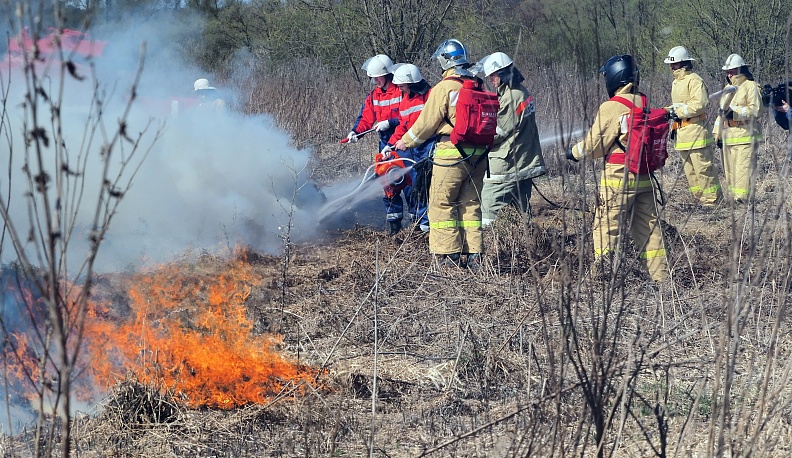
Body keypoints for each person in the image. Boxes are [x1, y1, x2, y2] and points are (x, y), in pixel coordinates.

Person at [566, 54, 668, 282]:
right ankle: (662, 279)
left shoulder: (612, 107)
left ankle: (604, 279)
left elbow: (595, 146)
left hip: (618, 179)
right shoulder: (643, 101)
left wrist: (573, 153)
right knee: (649, 231)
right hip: (645, 177)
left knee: (606, 227)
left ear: (614, 78)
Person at [394, 39, 486, 270]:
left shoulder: (444, 88)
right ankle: (474, 255)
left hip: (451, 153)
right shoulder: (476, 83)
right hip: (479, 154)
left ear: (445, 61)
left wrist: (405, 142)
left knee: (441, 203)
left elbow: (426, 123)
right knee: (470, 203)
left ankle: (449, 256)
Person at [476, 52, 546, 226]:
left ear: (503, 73)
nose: (490, 80)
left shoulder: (511, 97)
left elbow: (499, 131)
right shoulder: (520, 92)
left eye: (492, 75)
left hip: (506, 166)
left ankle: (491, 247)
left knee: (488, 208)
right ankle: (529, 244)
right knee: (520, 211)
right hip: (522, 161)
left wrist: (476, 137)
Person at [347, 54, 403, 234]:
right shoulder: (374, 96)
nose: (374, 81)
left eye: (377, 77)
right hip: (385, 146)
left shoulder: (402, 90)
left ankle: (421, 227)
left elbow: (410, 117)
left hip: (404, 144)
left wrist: (391, 122)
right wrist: (356, 132)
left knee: (409, 184)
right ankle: (395, 228)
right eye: (373, 78)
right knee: (389, 185)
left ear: (387, 75)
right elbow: (365, 118)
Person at [663, 46, 723, 207]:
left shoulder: (694, 80)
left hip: (696, 133)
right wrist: (666, 111)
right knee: (690, 172)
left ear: (683, 64)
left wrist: (678, 112)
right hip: (683, 135)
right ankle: (699, 199)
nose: (671, 67)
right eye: (671, 64)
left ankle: (713, 201)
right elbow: (679, 105)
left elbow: (700, 104)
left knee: (703, 170)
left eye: (674, 64)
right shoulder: (677, 82)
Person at [383, 63, 434, 232]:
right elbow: (402, 127)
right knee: (415, 185)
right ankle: (420, 222)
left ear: (412, 84)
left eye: (402, 86)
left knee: (427, 185)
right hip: (414, 149)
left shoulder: (431, 96)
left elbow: (431, 123)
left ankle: (427, 224)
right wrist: (390, 145)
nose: (400, 90)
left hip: (430, 146)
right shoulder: (405, 102)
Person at [712, 54, 762, 204]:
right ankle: (735, 201)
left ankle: (744, 201)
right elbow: (721, 114)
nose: (729, 75)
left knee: (743, 171)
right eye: (727, 72)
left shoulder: (751, 86)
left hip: (745, 135)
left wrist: (735, 113)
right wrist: (717, 134)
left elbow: (756, 110)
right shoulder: (727, 89)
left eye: (732, 71)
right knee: (730, 172)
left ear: (741, 69)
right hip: (729, 136)